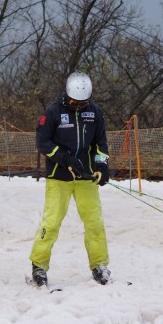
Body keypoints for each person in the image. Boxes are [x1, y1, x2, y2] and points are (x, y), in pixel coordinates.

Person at [29, 72, 111, 286]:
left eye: (82, 102)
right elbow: (43, 142)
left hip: (86, 178)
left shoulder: (95, 113)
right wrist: (65, 159)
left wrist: (102, 165)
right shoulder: (53, 112)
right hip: (59, 177)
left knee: (94, 222)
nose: (78, 106)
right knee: (52, 222)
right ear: (67, 95)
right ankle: (39, 265)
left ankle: (99, 264)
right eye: (74, 101)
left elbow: (100, 143)